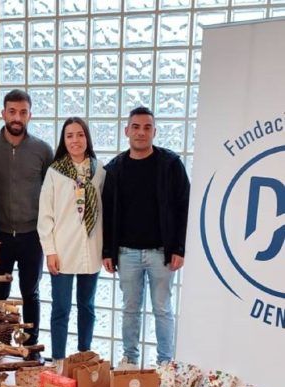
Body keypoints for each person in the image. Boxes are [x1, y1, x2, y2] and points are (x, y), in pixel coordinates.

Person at [102, 106, 190, 369]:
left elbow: (184, 206)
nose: (141, 133)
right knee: (130, 310)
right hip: (126, 253)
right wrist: (108, 251)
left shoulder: (170, 164)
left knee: (162, 309)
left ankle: (166, 364)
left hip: (161, 252)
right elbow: (108, 213)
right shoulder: (114, 169)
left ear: (154, 131)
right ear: (127, 130)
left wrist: (179, 248)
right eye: (136, 127)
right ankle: (129, 360)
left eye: (147, 127)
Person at [0, 90, 53, 361]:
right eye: (12, 111)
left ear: (30, 115)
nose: (17, 117)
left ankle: (31, 349)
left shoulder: (43, 151)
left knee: (31, 292)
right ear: (3, 113)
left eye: (23, 112)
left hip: (32, 235)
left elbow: (52, 194)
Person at [38, 118, 105, 370]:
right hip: (63, 250)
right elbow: (45, 215)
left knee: (87, 306)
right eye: (69, 136)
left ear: (87, 138)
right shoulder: (55, 172)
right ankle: (57, 360)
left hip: (91, 248)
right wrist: (50, 251)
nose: (75, 140)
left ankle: (84, 356)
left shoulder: (100, 170)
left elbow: (104, 211)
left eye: (79, 135)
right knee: (61, 308)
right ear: (63, 141)